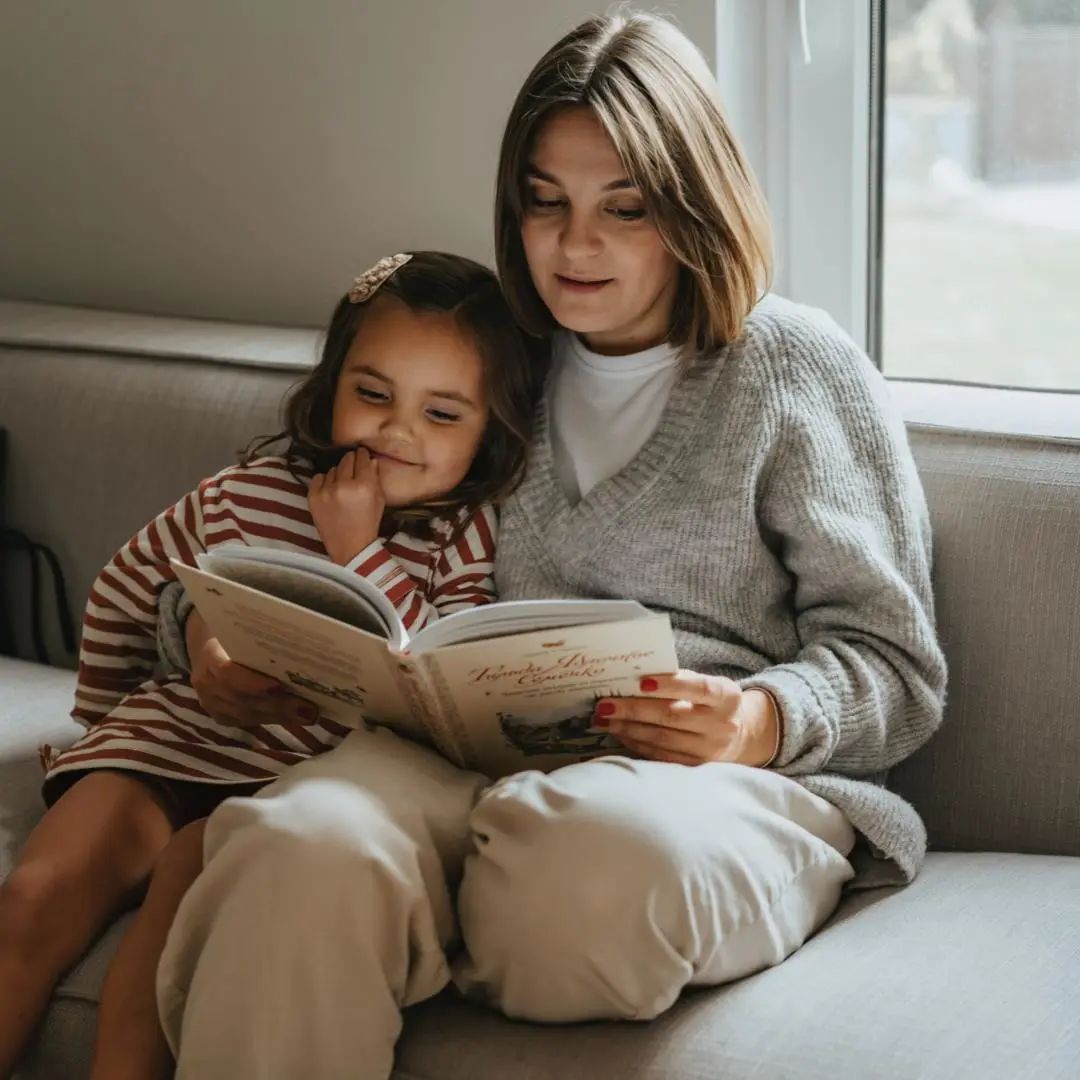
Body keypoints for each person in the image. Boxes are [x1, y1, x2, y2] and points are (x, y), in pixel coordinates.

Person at [153, 10, 947, 1080]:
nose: (576, 247)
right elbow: (277, 497)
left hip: (710, 790)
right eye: (545, 203)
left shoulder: (793, 368)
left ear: (693, 204)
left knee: (582, 864)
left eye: (626, 208)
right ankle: (426, 908)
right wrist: (207, 632)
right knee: (294, 851)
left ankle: (441, 920)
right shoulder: (491, 357)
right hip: (450, 767)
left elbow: (896, 667)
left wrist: (759, 720)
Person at [0, 251, 538, 1080]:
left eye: (441, 414)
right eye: (373, 394)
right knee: (33, 899)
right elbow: (133, 585)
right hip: (176, 739)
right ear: (331, 388)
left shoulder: (468, 534)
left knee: (178, 921)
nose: (397, 432)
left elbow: (442, 675)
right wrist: (148, 683)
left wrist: (359, 549)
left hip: (297, 779)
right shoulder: (247, 490)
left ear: (488, 429)